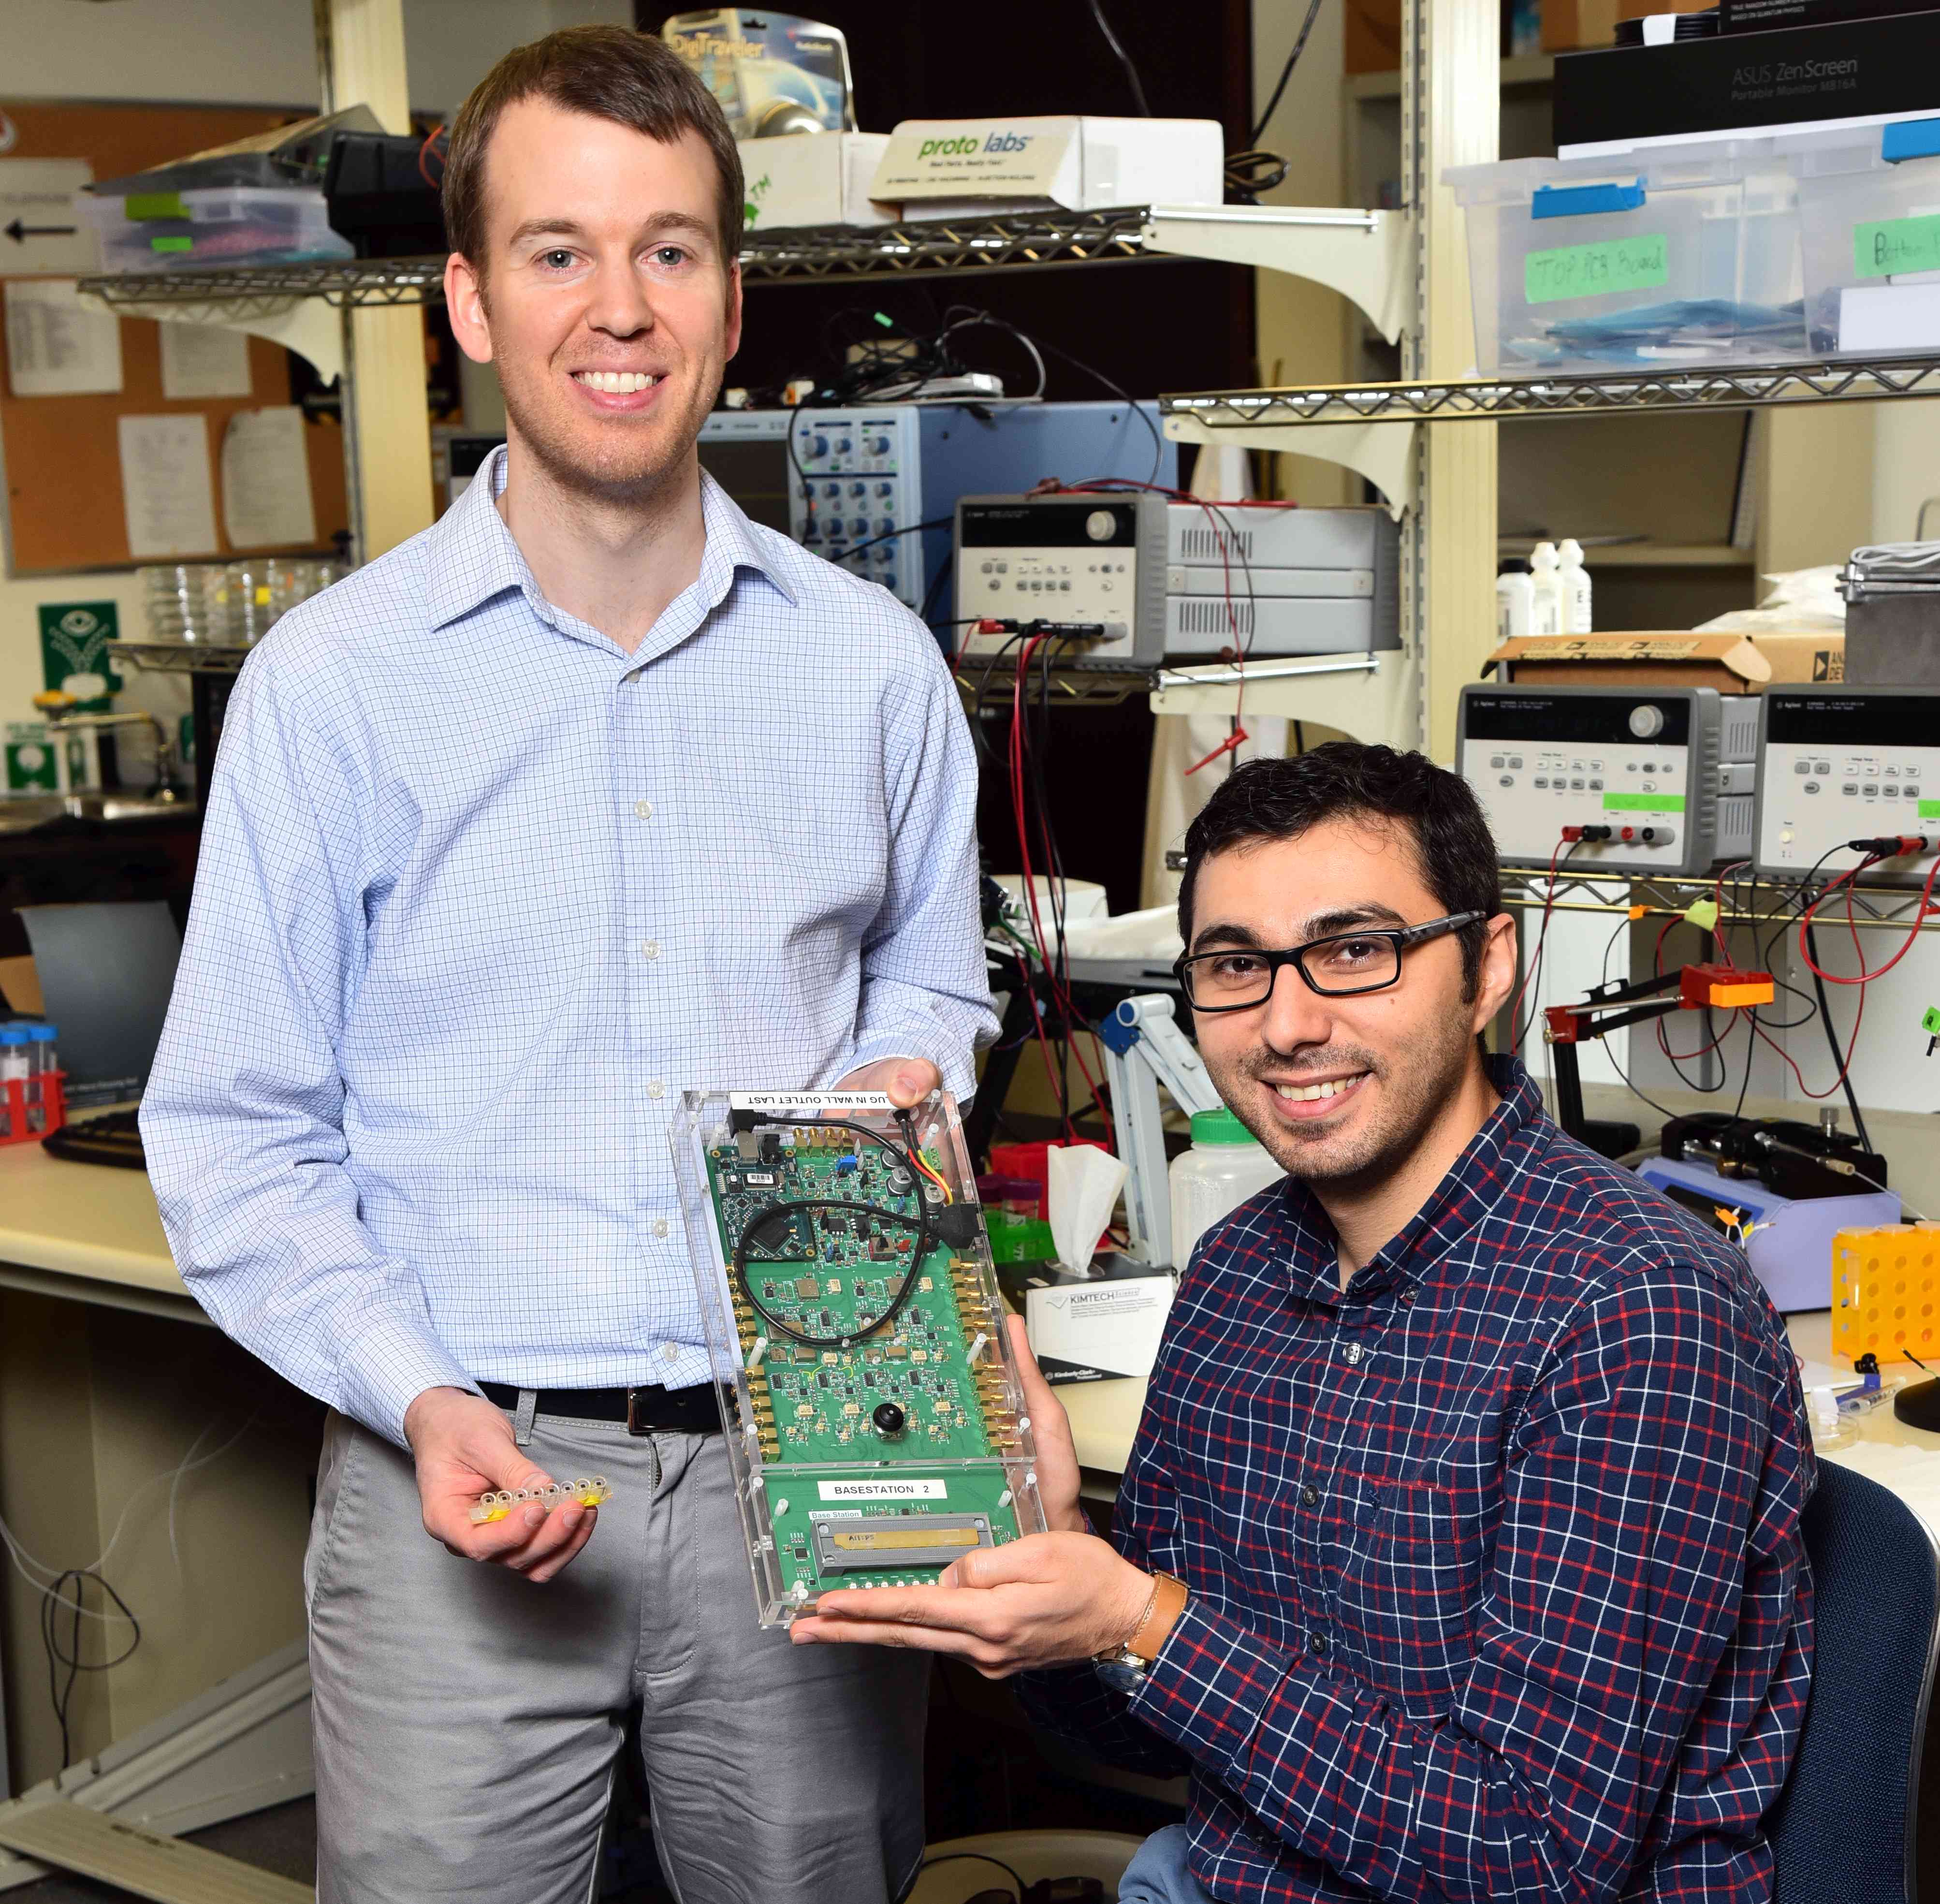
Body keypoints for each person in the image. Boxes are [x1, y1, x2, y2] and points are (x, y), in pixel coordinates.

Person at [140, 26, 994, 1904]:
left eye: (670, 248)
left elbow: (935, 996)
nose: (621, 307)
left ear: (733, 294)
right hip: (460, 1472)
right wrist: (423, 1403)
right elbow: (236, 1134)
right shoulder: (337, 689)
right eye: (556, 251)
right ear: (464, 299)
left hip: (813, 1465)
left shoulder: (869, 669)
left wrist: (873, 1119)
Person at [793, 743, 1814, 1904]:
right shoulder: (1237, 1273)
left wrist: (1141, 1615)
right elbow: (1161, 1740)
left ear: (1488, 967)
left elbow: (1530, 1858)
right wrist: (1056, 1540)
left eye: (1353, 952)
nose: (1286, 1023)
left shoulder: (1637, 1311)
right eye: (1236, 965)